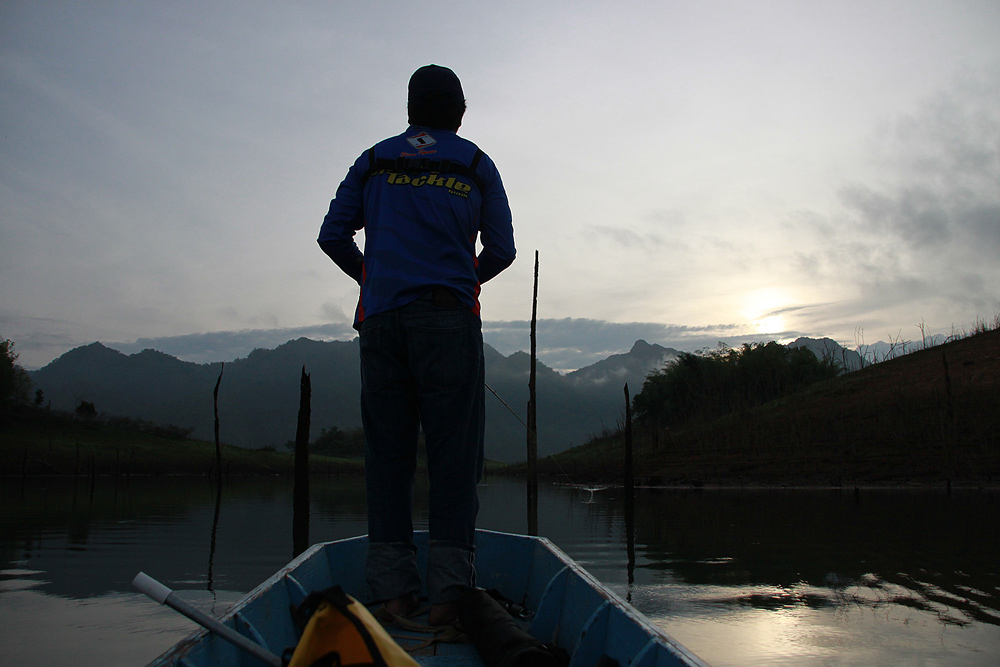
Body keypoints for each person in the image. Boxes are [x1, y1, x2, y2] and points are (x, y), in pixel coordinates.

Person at [317, 65, 515, 626]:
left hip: (380, 321)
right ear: (457, 110)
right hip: (448, 322)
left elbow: (333, 234)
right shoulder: (475, 164)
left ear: (410, 110)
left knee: (388, 459)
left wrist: (371, 278)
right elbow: (502, 249)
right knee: (453, 460)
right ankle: (449, 601)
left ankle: (394, 599)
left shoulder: (376, 158)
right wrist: (460, 281)